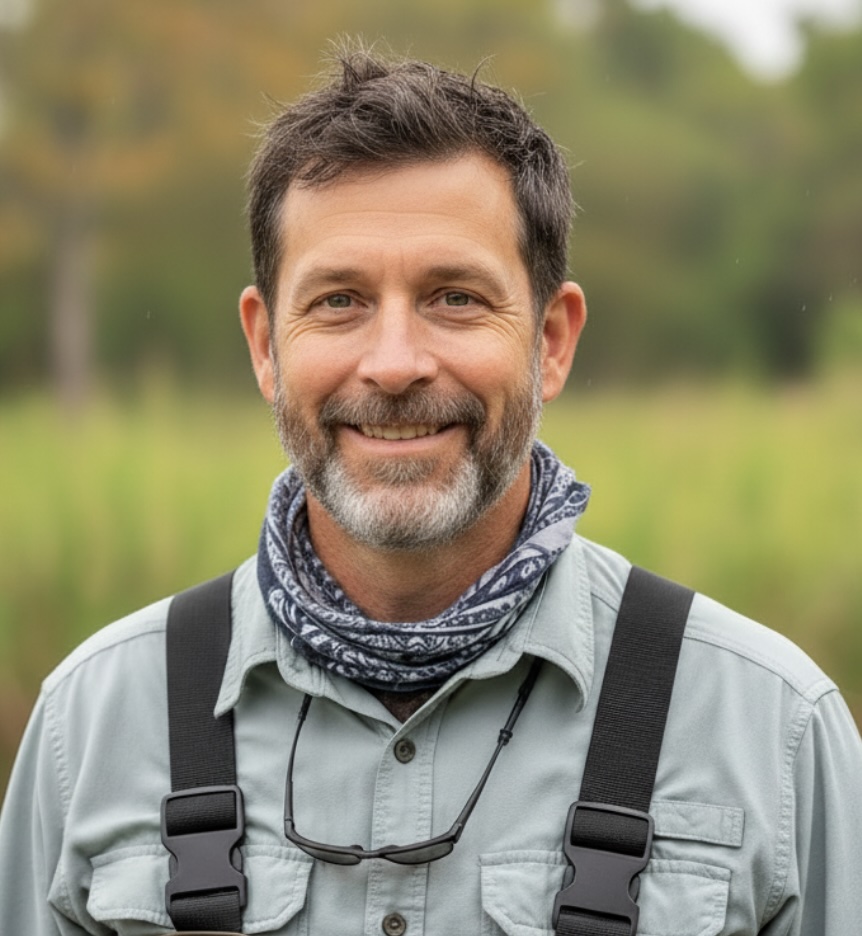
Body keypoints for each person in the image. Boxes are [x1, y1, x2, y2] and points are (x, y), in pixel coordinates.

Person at [1, 44, 860, 936]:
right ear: (265, 345)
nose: (395, 364)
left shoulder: (774, 732)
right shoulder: (88, 730)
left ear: (552, 341)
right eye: (339, 300)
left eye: (455, 298)